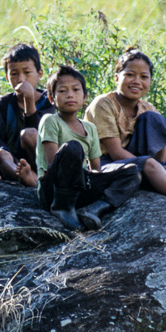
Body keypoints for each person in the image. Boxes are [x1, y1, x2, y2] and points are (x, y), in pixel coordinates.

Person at [84, 47, 166, 216]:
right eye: (130, 75)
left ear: (150, 81)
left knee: (153, 119)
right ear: (116, 77)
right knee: (149, 163)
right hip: (107, 167)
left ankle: (160, 179)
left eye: (144, 77)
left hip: (142, 165)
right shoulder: (103, 104)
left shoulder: (147, 107)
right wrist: (154, 167)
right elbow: (116, 153)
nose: (136, 81)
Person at [36, 65, 142, 230]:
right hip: (55, 189)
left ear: (85, 97)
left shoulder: (89, 128)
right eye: (62, 91)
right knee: (73, 147)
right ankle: (62, 207)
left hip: (79, 188)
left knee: (132, 171)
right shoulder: (50, 121)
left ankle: (95, 208)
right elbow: (52, 165)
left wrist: (97, 182)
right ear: (51, 98)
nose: (70, 95)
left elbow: (95, 169)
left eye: (76, 90)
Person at [0, 43, 55, 187]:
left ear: (39, 73)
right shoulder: (3, 104)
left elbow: (44, 134)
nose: (21, 79)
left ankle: (43, 179)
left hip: (43, 158)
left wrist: (29, 101)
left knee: (30, 134)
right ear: (7, 77)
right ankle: (30, 180)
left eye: (27, 73)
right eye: (14, 74)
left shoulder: (49, 101)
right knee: (0, 154)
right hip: (16, 162)